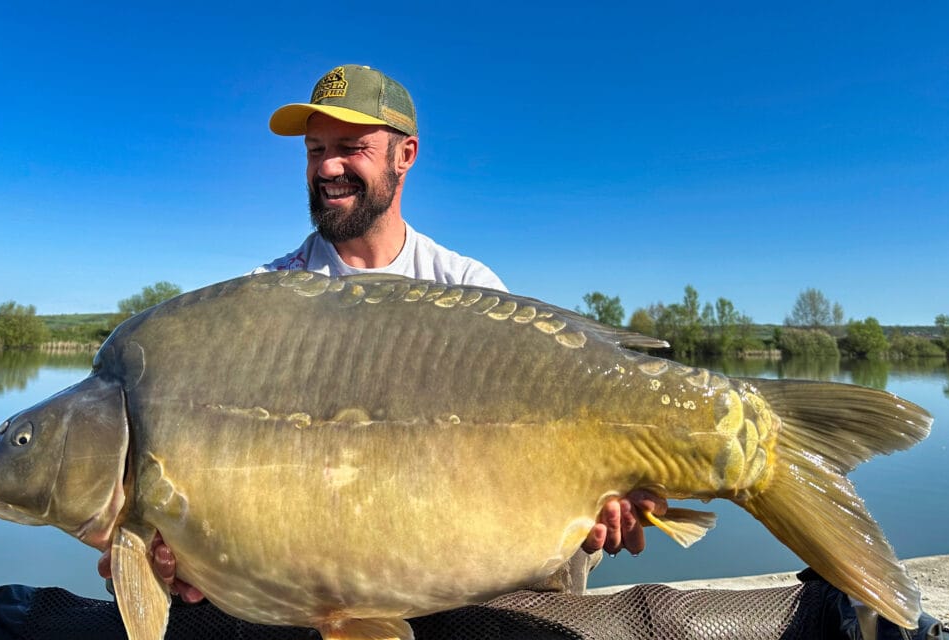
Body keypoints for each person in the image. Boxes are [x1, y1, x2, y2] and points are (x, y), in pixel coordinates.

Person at [98, 64, 668, 602]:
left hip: (453, 564)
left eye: (352, 148)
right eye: (316, 150)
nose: (327, 167)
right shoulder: (260, 301)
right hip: (318, 584)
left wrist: (603, 504)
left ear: (406, 155)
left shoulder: (469, 289)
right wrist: (184, 555)